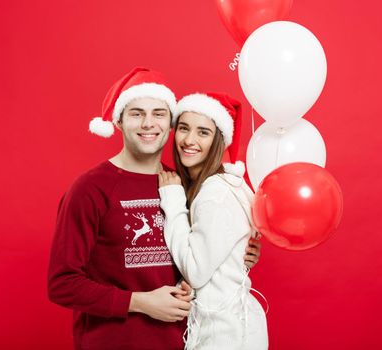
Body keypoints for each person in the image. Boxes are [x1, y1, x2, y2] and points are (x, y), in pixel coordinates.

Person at [47, 68, 261, 350]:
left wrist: (238, 253)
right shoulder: (90, 189)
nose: (148, 123)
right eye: (136, 113)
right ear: (120, 121)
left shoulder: (180, 186)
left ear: (170, 123)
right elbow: (62, 283)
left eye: (159, 114)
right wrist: (140, 303)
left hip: (182, 342)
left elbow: (197, 255)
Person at [158, 92, 269, 349]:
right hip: (230, 324)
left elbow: (196, 271)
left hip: (224, 332)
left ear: (218, 140)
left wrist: (173, 202)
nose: (189, 140)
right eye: (184, 128)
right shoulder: (220, 185)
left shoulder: (214, 193)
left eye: (203, 132)